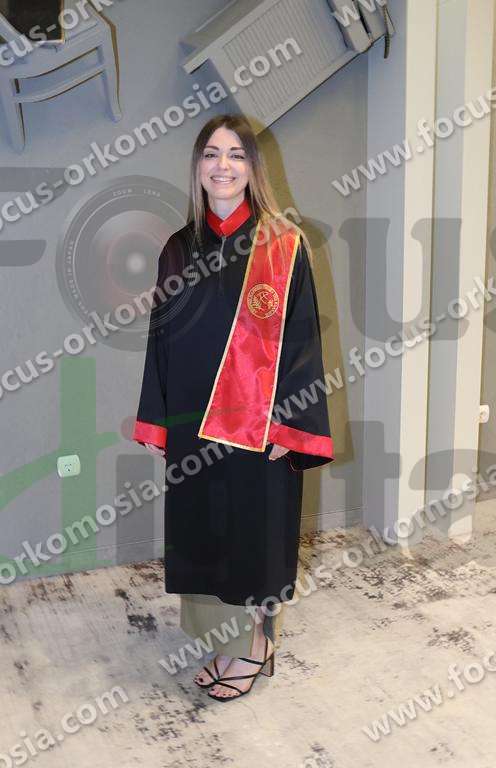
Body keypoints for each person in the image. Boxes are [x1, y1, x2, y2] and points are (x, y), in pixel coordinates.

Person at [132, 114, 333, 702]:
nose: (223, 165)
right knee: (203, 534)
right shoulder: (178, 247)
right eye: (212, 154)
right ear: (198, 166)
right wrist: (159, 419)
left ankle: (254, 646)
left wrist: (290, 425)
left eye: (237, 154)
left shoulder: (284, 245)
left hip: (258, 426)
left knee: (253, 535)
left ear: (253, 168)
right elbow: (161, 339)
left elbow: (302, 340)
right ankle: (223, 641)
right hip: (193, 422)